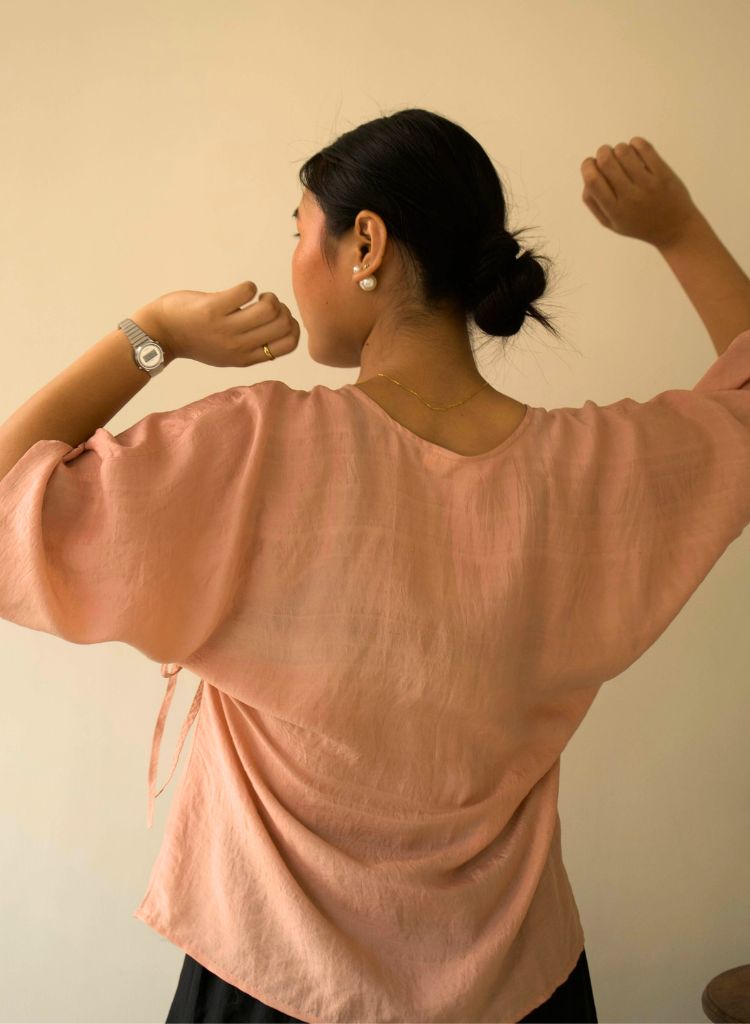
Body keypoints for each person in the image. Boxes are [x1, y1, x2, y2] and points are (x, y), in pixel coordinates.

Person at [1, 108, 749, 1023]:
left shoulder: (257, 449)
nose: (292, 260)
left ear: (366, 243)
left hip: (273, 984)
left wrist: (153, 332)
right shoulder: (596, 471)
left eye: (297, 232)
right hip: (525, 992)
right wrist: (678, 230)